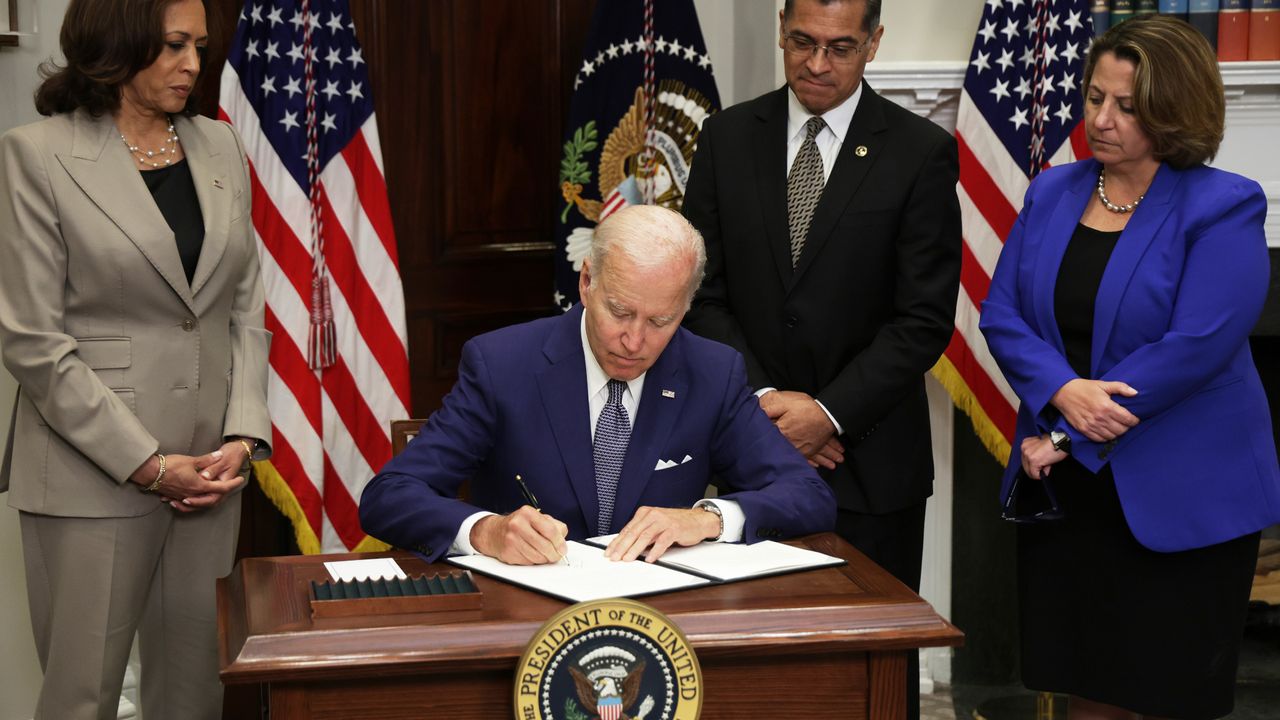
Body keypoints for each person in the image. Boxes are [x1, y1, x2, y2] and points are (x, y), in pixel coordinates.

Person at [979, 15, 1280, 720]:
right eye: (1094, 98)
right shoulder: (1052, 191)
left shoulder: (1223, 203)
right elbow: (1001, 314)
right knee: (1086, 690)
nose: (1101, 119)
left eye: (1128, 106)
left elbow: (1196, 347)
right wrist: (1061, 391)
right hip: (1072, 497)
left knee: (1166, 697)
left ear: (1176, 111)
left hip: (1180, 496)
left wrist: (1064, 433)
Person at [0, 0, 271, 717]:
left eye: (199, 46)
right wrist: (148, 465)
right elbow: (33, 340)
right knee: (82, 696)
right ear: (117, 46)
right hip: (93, 474)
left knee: (195, 694)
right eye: (174, 46)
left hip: (210, 472)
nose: (193, 64)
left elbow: (243, 304)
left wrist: (241, 435)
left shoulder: (220, 146)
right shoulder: (36, 154)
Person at [360, 205, 836, 566]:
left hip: (663, 621)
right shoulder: (501, 364)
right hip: (526, 620)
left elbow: (807, 496)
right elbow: (390, 495)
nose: (634, 341)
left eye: (660, 320)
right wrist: (485, 530)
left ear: (686, 308)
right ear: (587, 281)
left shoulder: (711, 372)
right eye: (620, 312)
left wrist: (709, 518)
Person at [682, 0, 960, 594]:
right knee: (760, 659)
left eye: (840, 48)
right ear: (779, 29)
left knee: (876, 666)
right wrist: (765, 405)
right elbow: (701, 294)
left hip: (872, 468)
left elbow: (923, 320)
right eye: (802, 41)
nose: (816, 63)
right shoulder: (726, 138)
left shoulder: (919, 153)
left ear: (874, 42)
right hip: (749, 457)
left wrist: (827, 414)